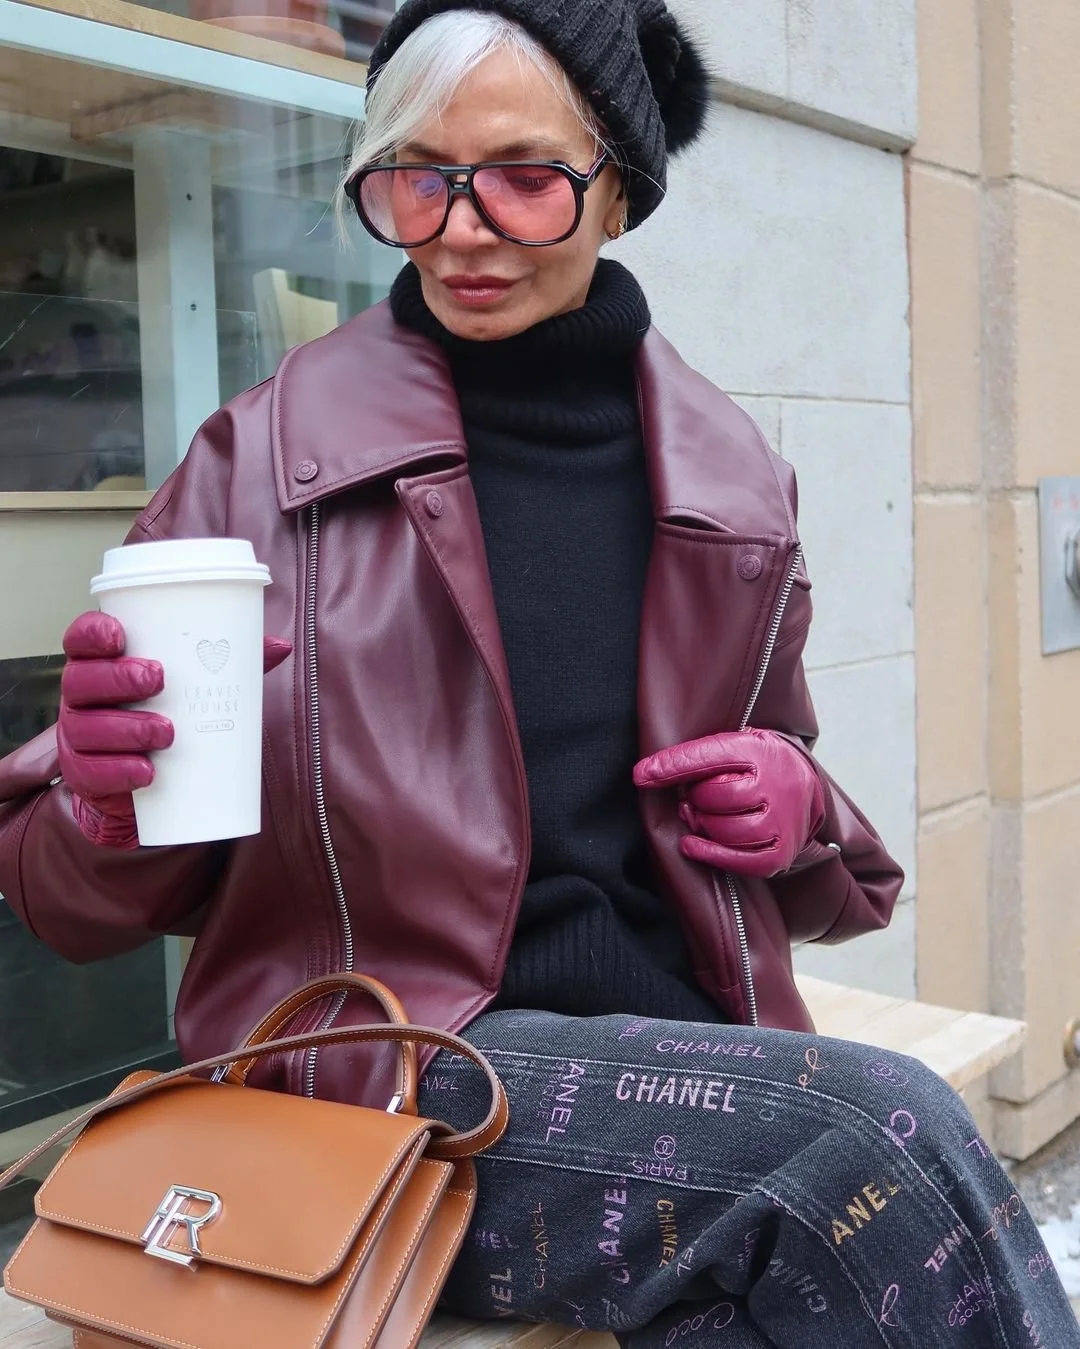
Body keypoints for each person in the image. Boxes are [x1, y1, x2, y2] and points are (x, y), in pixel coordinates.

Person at [0, 1, 1074, 1343]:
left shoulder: (733, 481)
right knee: (870, 1140)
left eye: (523, 177)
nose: (461, 230)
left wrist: (797, 804)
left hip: (682, 1061)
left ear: (619, 190)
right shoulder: (260, 464)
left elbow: (806, 851)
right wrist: (105, 798)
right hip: (383, 1081)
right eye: (417, 177)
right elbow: (71, 907)